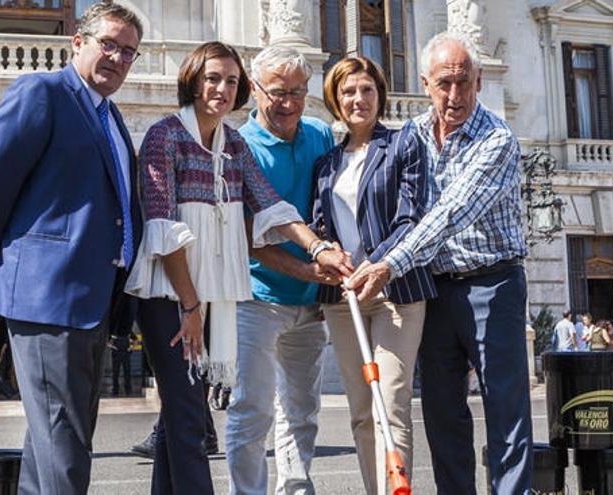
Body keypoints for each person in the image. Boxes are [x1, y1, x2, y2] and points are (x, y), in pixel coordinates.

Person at [123, 41, 350, 494]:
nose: (222, 89)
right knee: (189, 423)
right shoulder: (164, 136)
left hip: (214, 298)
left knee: (179, 418)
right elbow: (163, 228)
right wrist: (191, 306)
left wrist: (319, 248)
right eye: (212, 78)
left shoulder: (233, 144)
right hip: (173, 298)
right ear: (192, 79)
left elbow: (272, 205)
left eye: (230, 81)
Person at [0, 3, 144, 492]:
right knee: (64, 448)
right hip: (48, 293)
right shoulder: (41, 93)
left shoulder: (112, 117)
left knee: (58, 441)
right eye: (108, 44)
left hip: (95, 297)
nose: (117, 58)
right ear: (77, 43)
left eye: (128, 52)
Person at [346, 31, 532, 493]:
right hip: (433, 289)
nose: (454, 96)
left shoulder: (498, 140)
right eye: (443, 84)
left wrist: (388, 264)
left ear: (479, 81)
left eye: (463, 82)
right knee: (442, 412)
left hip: (493, 285)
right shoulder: (410, 134)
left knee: (506, 410)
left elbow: (450, 212)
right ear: (425, 83)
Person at [311, 56, 435, 495]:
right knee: (362, 411)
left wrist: (375, 263)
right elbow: (319, 224)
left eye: (366, 89)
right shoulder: (327, 162)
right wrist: (325, 252)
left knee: (391, 404)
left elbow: (410, 218)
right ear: (335, 99)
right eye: (348, 91)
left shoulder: (404, 144)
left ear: (380, 94)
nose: (358, 99)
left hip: (395, 291)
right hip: (346, 299)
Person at [225, 45, 344, 495]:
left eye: (298, 91)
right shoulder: (238, 146)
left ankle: (295, 488)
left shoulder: (319, 134)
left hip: (309, 302)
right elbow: (247, 235)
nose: (289, 103)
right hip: (257, 297)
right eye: (278, 92)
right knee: (252, 409)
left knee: (302, 409)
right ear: (255, 90)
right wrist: (309, 271)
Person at [108, 296, 137, 396]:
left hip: (126, 353)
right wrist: (112, 347)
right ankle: (115, 391)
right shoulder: (113, 329)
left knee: (127, 373)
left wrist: (131, 347)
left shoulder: (127, 330)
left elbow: (136, 340)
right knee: (115, 374)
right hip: (116, 354)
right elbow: (106, 342)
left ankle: (128, 391)